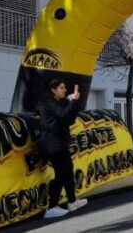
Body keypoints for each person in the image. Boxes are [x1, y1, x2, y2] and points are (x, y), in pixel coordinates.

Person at [37, 79, 88, 218]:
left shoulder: (59, 104)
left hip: (60, 143)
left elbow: (69, 119)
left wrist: (74, 102)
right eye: (61, 88)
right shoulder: (48, 104)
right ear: (53, 90)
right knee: (61, 173)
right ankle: (51, 207)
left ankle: (72, 201)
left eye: (64, 88)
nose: (65, 90)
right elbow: (63, 114)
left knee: (67, 171)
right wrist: (72, 101)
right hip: (52, 144)